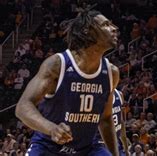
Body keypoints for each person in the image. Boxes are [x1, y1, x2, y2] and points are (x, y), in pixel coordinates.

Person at [15, 9, 120, 155]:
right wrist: (51, 128)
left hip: (87, 149)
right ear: (87, 31)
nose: (115, 29)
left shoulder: (111, 73)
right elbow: (22, 106)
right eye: (106, 25)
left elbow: (106, 119)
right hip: (48, 147)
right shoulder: (58, 65)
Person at [93, 89, 130, 155]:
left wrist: (126, 148)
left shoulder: (119, 94)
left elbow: (121, 122)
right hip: (100, 143)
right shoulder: (96, 95)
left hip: (116, 142)